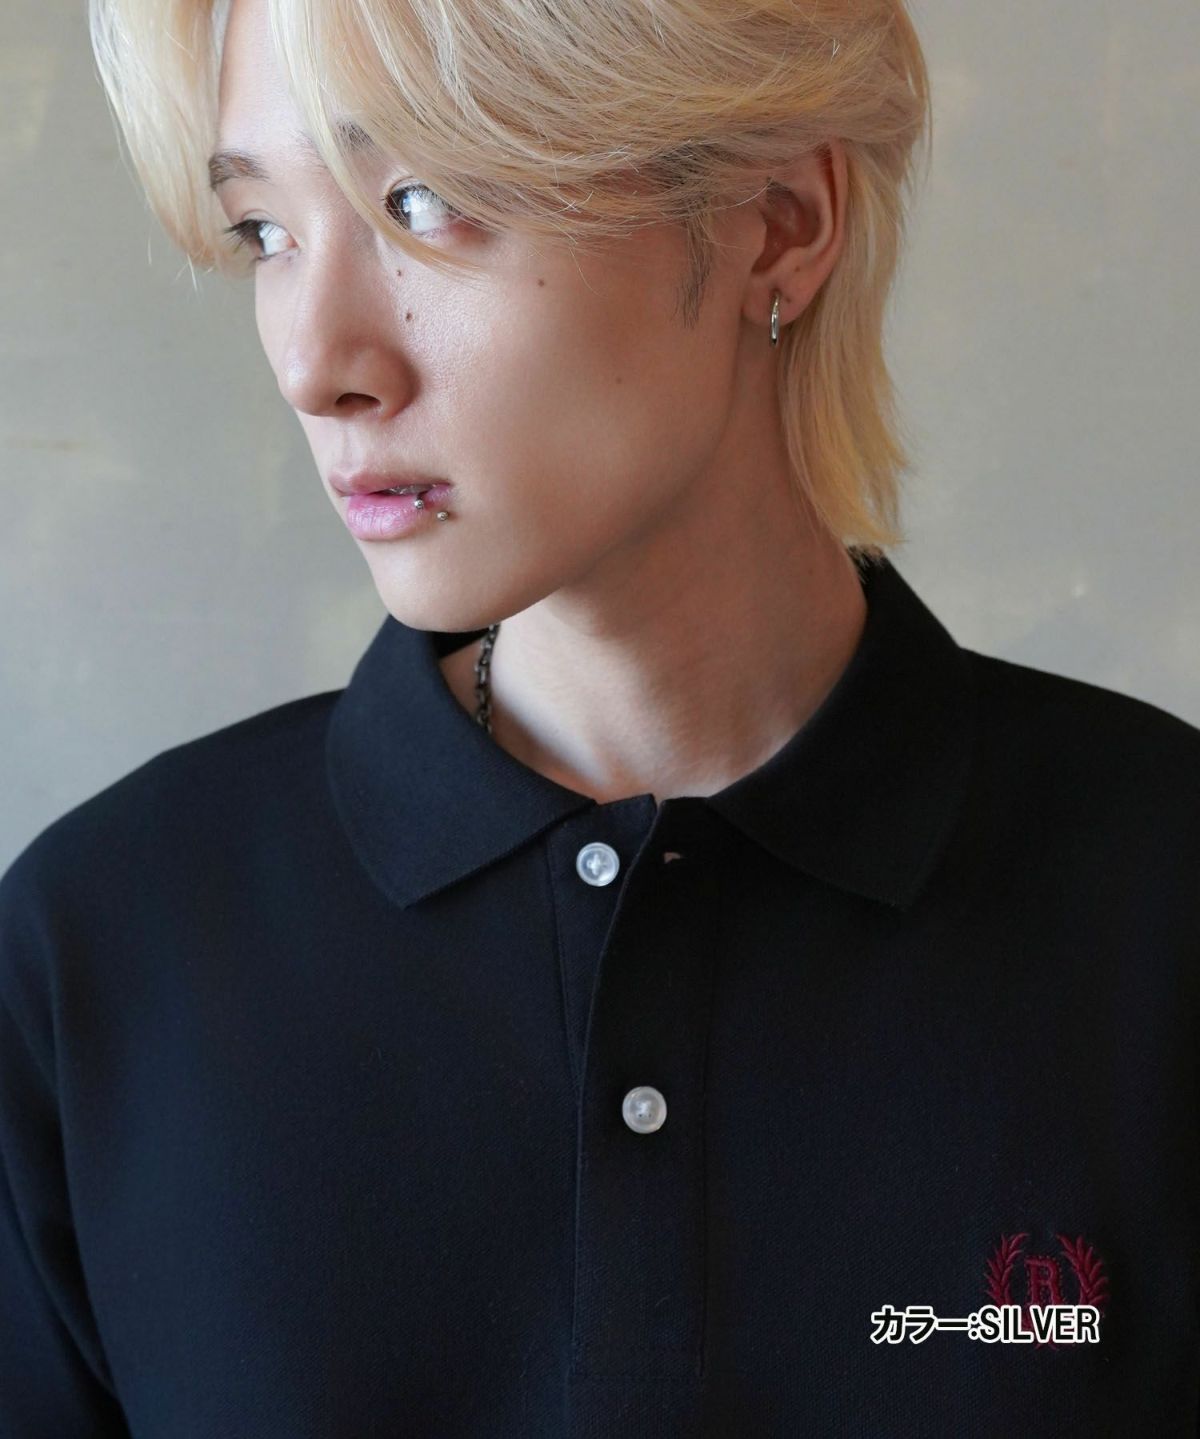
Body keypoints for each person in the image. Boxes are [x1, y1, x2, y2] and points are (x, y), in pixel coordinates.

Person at [1, 0, 1197, 1432]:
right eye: (264, 232)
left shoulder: (1162, 903)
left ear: (777, 222)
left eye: (423, 205)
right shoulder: (97, 957)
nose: (317, 363)